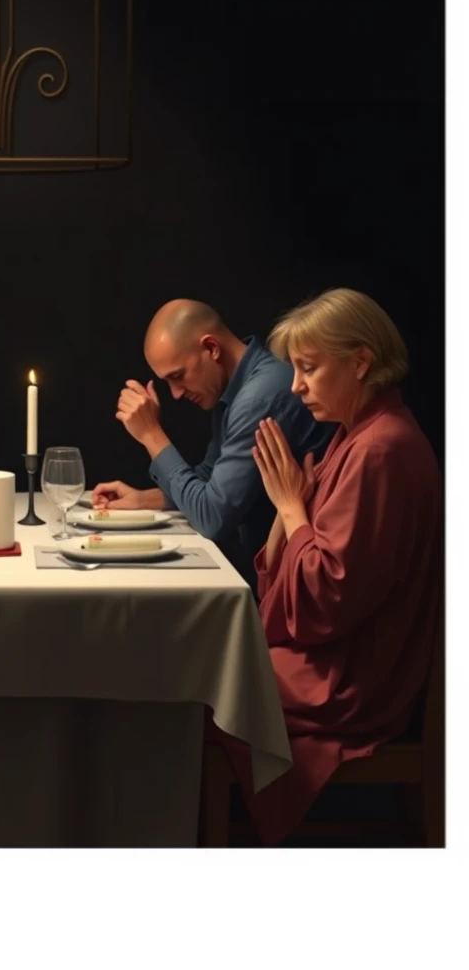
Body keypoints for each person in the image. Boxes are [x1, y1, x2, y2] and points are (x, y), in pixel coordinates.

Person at [215, 288, 442, 845]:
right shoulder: (355, 437)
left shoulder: (381, 450)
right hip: (335, 655)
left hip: (351, 679)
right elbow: (291, 569)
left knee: (202, 681)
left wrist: (292, 507)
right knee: (204, 666)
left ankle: (194, 837)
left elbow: (323, 598)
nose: (295, 387)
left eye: (309, 369)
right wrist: (285, 504)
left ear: (361, 362)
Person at [92, 299, 335, 586]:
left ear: (211, 348)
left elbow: (212, 517)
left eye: (178, 376)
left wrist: (151, 435)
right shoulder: (238, 387)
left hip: (296, 584)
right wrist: (146, 499)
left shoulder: (258, 398)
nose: (175, 394)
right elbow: (209, 480)